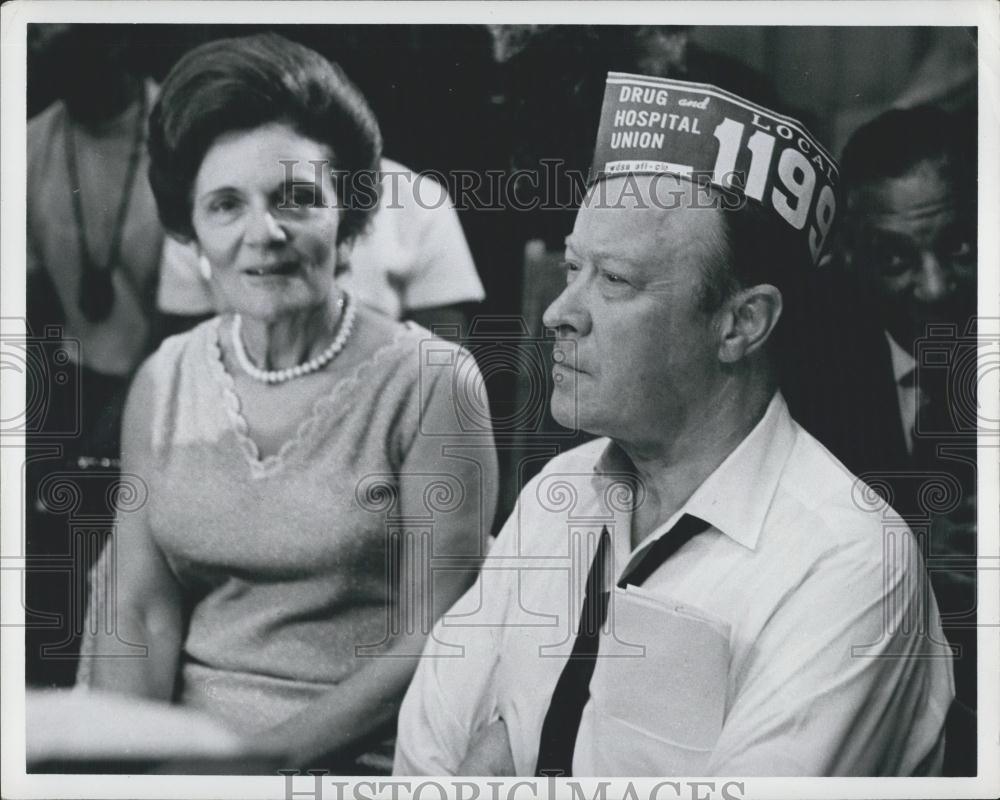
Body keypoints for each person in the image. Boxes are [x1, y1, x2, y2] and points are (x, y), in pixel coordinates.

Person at [395, 74, 954, 777]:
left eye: (616, 281)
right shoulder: (556, 495)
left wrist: (502, 754)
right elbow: (425, 753)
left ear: (740, 324)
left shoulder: (850, 563)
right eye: (573, 268)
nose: (558, 313)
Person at [75, 33, 498, 772]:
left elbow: (438, 632)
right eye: (225, 205)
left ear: (348, 215)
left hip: (366, 758)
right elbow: (137, 609)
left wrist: (256, 760)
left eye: (296, 199)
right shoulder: (164, 378)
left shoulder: (433, 382)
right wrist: (132, 764)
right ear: (192, 230)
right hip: (188, 753)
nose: (262, 234)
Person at [795, 106, 977, 774]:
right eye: (897, 259)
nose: (935, 287)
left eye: (960, 247)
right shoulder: (798, 351)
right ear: (846, 256)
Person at [25, 24, 165, 688]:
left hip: (167, 373)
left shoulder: (179, 131)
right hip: (72, 383)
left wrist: (127, 411)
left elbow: (189, 312)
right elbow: (30, 301)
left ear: (118, 45)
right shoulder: (28, 144)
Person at [156, 155, 486, 333]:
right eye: (228, 206)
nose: (264, 233)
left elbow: (442, 357)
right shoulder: (206, 195)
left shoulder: (417, 198)